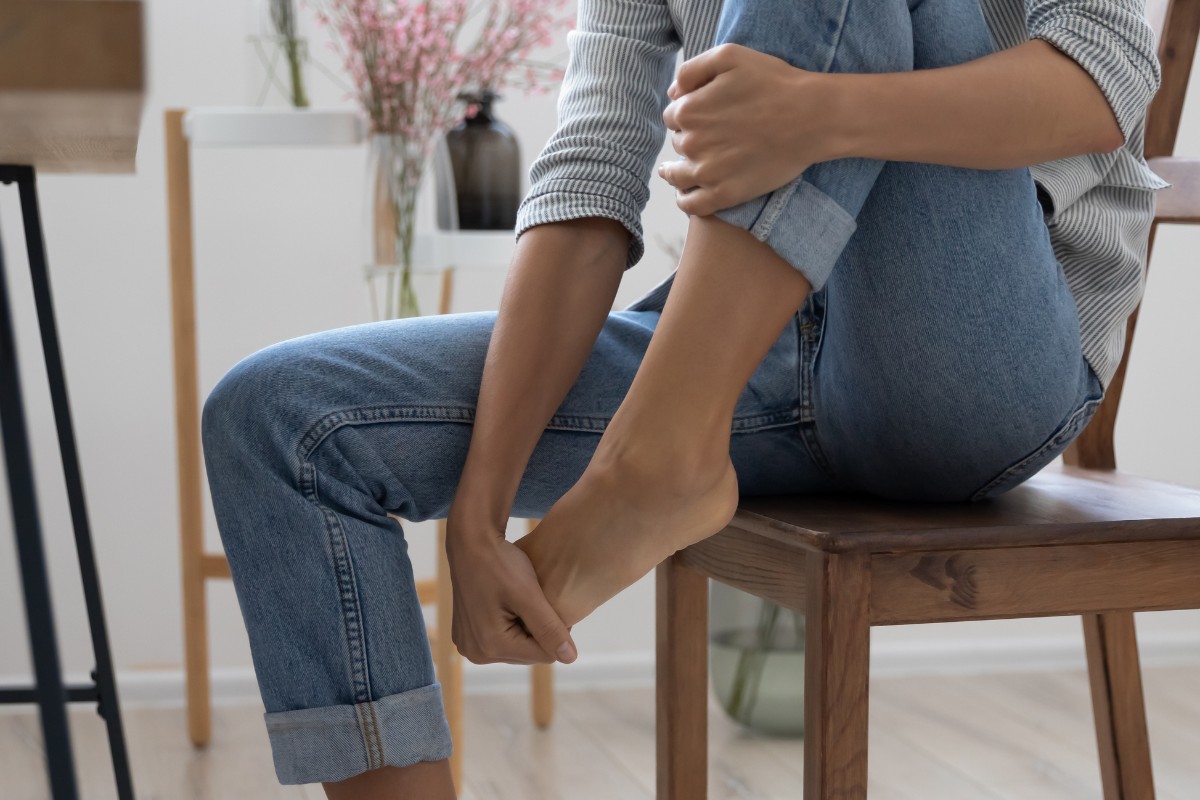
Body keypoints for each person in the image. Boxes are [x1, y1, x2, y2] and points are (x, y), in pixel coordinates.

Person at [200, 0, 1166, 795]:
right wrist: (480, 508)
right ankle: (668, 443)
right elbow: (588, 179)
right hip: (739, 351)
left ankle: (656, 460)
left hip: (970, 358)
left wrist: (822, 113)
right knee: (281, 420)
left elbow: (1102, 80)